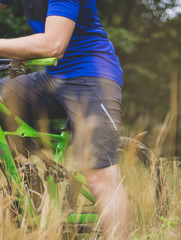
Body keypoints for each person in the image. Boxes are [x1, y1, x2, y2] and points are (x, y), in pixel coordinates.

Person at [0, 0, 131, 239]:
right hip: (52, 78)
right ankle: (26, 189)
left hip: (92, 76)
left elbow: (54, 44)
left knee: (99, 174)